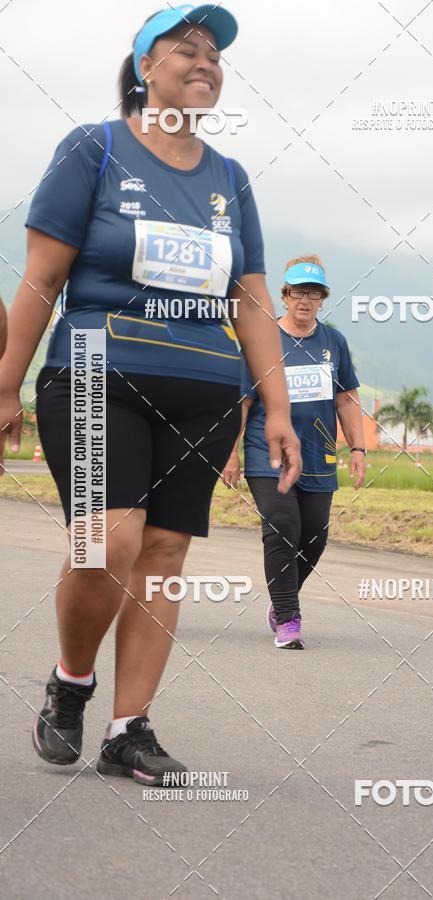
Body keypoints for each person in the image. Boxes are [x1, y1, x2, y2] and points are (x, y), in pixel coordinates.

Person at [0, 4, 301, 784]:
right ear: (144, 68)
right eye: (187, 50)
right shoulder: (93, 149)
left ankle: (128, 730)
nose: (206, 62)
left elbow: (253, 298)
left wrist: (274, 408)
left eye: (215, 56)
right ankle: (72, 682)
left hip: (204, 389)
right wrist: (5, 382)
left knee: (163, 556)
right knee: (109, 543)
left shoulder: (230, 179)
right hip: (99, 373)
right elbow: (41, 278)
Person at [222, 255, 366, 648]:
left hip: (319, 456)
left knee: (314, 536)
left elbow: (347, 399)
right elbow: (243, 403)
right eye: (299, 292)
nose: (306, 300)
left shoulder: (334, 342)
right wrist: (230, 453)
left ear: (323, 299)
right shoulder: (261, 340)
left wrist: (358, 448)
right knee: (282, 527)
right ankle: (288, 617)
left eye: (314, 294)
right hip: (266, 453)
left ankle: (280, 598)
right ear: (285, 296)